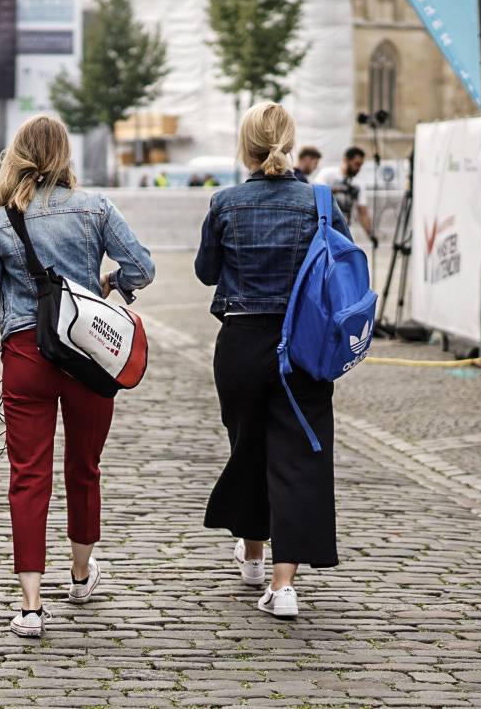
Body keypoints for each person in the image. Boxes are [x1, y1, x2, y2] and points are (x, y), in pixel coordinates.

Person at [0, 114, 155, 638]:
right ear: (64, 154)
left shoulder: (1, 219)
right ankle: (79, 574)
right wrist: (105, 283)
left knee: (28, 475)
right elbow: (142, 268)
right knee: (84, 466)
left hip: (26, 355)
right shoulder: (96, 207)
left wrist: (10, 311)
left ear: (17, 155)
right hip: (87, 354)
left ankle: (30, 606)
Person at [194, 102, 348, 620]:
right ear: (290, 141)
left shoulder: (225, 202)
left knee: (248, 447)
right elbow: (344, 264)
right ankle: (282, 586)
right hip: (305, 344)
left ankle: (254, 556)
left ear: (247, 147)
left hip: (241, 344)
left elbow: (205, 271)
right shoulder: (319, 202)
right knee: (299, 457)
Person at [315, 147, 373, 241]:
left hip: (346, 230)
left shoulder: (358, 184)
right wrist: (342, 189)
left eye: (361, 165)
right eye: (356, 164)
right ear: (346, 160)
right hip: (326, 229)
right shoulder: (327, 174)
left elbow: (362, 212)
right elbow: (317, 192)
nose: (358, 168)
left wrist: (370, 234)